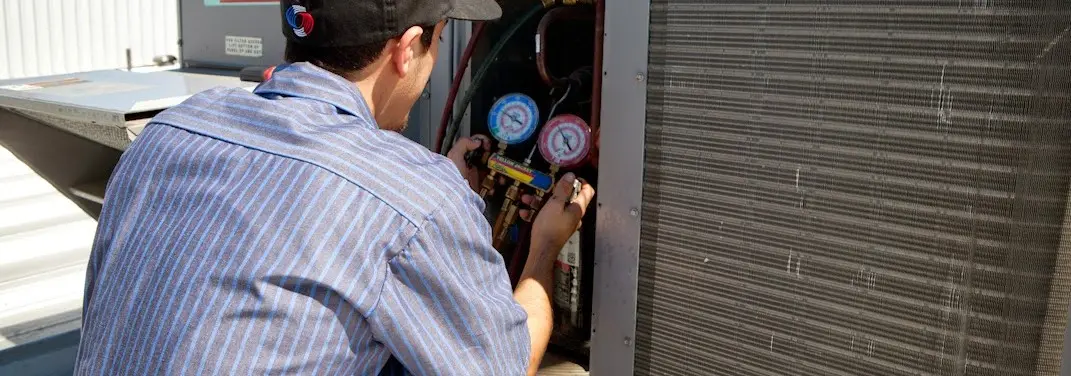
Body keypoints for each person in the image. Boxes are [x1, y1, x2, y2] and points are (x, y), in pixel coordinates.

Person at [72, 0, 595, 375]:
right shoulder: (418, 195)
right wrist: (545, 244)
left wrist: (432, 205)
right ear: (406, 50)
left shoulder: (169, 129)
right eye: (436, 44)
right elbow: (504, 365)